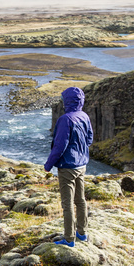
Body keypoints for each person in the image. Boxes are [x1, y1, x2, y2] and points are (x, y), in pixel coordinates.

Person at [44, 86, 94, 248]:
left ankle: (69, 238)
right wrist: (80, 150)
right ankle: (82, 233)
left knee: (67, 204)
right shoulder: (84, 116)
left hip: (67, 167)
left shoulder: (65, 120)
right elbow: (89, 138)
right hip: (82, 164)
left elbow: (60, 146)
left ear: (67, 101)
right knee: (80, 200)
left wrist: (48, 165)